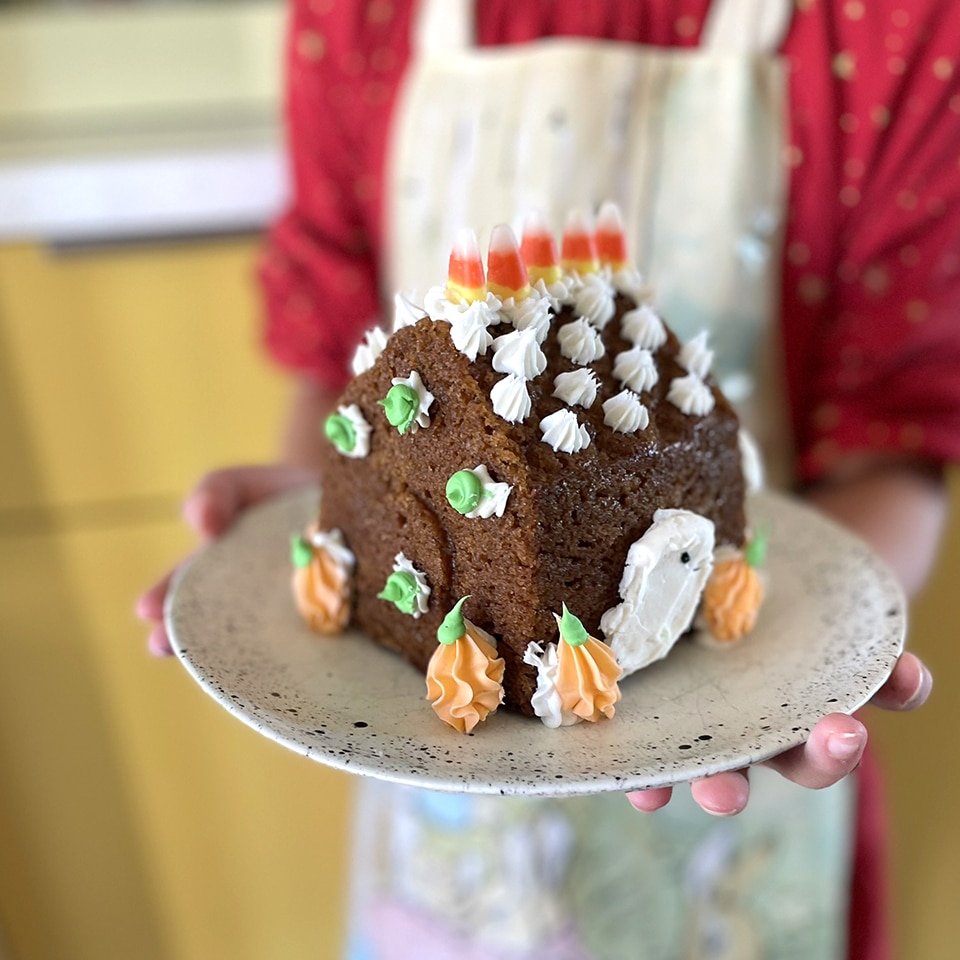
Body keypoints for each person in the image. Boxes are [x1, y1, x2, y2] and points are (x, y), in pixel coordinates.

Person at [138, 0, 959, 956]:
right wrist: (312, 497)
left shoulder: (889, 26)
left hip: (743, 791)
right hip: (440, 777)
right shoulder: (357, 15)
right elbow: (339, 352)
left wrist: (814, 655)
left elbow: (892, 443)